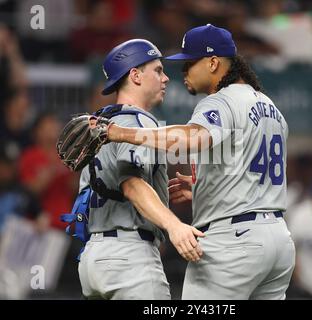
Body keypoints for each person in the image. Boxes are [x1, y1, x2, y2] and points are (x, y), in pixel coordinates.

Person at [91, 24, 296, 299]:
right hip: (278, 241)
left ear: (213, 63)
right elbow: (251, 169)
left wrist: (121, 133)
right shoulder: (271, 107)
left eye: (189, 63)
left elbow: (193, 139)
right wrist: (209, 186)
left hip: (235, 242)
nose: (183, 71)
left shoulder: (220, 101)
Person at [77, 39, 204, 300]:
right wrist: (174, 226)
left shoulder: (103, 122)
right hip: (129, 259)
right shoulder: (137, 121)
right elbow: (132, 185)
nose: (166, 78)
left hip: (93, 257)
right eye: (157, 70)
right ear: (135, 75)